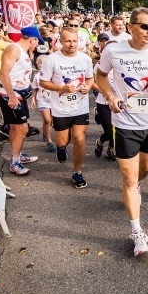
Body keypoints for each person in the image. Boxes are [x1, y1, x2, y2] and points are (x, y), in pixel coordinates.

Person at [95, 7, 148, 256]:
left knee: (143, 172)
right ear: (131, 27)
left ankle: (137, 186)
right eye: (145, 27)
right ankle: (137, 232)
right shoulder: (113, 49)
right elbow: (100, 76)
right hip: (124, 124)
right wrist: (109, 95)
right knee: (129, 178)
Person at [38, 26, 94, 189]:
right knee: (63, 141)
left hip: (80, 107)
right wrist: (61, 89)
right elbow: (43, 82)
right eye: (68, 41)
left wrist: (87, 87)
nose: (71, 44)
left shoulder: (85, 59)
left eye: (74, 41)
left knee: (79, 138)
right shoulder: (52, 59)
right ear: (61, 41)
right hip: (61, 107)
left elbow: (90, 78)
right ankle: (61, 149)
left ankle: (77, 172)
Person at [0, 26, 42, 176]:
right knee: (22, 128)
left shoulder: (21, 50)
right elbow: (3, 73)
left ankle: (17, 154)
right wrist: (11, 96)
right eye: (36, 41)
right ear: (32, 39)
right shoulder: (14, 49)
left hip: (19, 94)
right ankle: (15, 162)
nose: (37, 45)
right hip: (11, 95)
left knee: (14, 128)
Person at [30, 55, 56, 152]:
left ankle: (46, 132)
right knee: (47, 120)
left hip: (53, 100)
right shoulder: (37, 77)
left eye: (44, 63)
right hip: (42, 99)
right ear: (37, 64)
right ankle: (49, 141)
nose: (42, 65)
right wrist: (33, 99)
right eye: (40, 63)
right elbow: (35, 89)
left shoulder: (54, 74)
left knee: (53, 120)